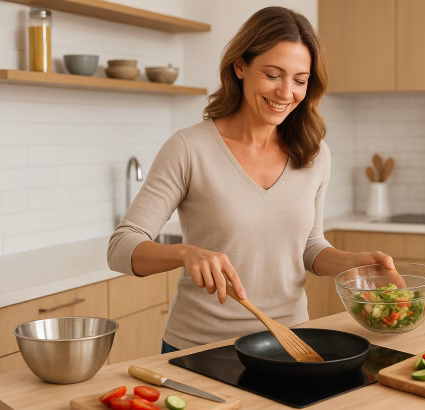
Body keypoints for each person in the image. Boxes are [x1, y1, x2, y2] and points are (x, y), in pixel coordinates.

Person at [107, 6, 404, 354]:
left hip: (289, 342)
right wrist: (185, 253)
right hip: (199, 348)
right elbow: (121, 247)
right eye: (273, 74)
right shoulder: (189, 148)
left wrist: (351, 263)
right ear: (240, 66)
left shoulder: (313, 152)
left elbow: (309, 246)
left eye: (299, 80)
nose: (285, 92)